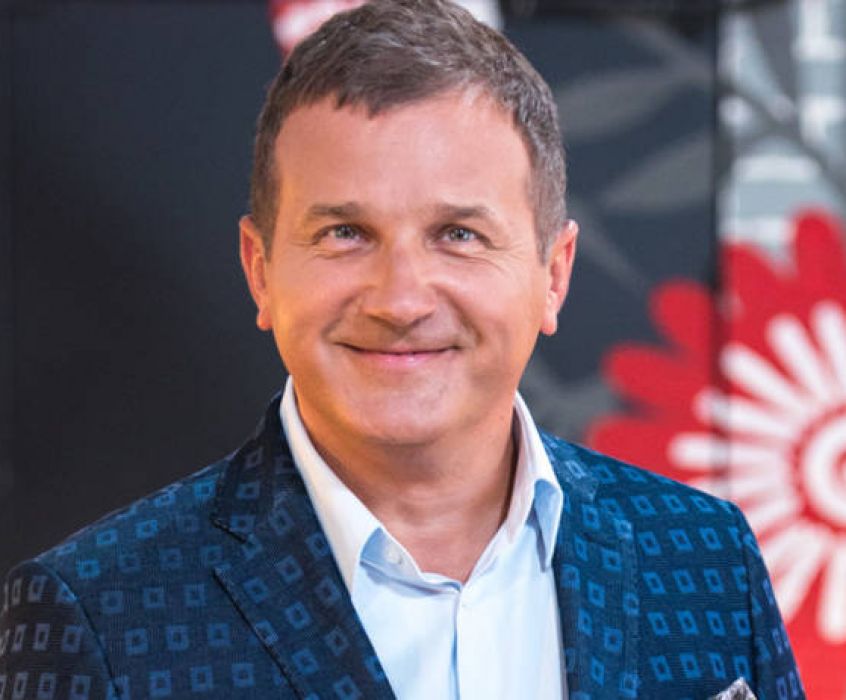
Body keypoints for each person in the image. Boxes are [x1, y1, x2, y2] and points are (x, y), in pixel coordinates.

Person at [0, 1, 803, 698]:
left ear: (553, 275)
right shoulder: (96, 616)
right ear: (260, 270)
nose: (400, 300)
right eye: (345, 233)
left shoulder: (705, 559)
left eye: (459, 234)